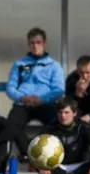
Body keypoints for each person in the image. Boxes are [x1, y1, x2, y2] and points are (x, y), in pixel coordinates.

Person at [6, 27, 65, 158]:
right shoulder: (19, 64)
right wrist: (22, 98)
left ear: (44, 43)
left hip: (46, 104)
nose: (35, 46)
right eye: (32, 43)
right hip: (23, 104)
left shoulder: (54, 65)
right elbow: (10, 88)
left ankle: (39, 152)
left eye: (38, 42)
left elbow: (59, 90)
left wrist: (42, 99)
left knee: (58, 121)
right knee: (12, 124)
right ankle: (28, 154)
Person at [35, 97, 90, 174]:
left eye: (66, 112)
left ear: (74, 113)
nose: (63, 116)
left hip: (80, 165)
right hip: (58, 167)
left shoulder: (85, 127)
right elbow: (36, 149)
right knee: (37, 161)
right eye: (60, 112)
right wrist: (42, 167)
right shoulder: (49, 129)